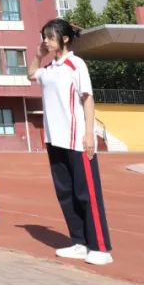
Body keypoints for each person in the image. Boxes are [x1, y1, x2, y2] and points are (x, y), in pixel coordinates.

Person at [28, 19, 113, 266]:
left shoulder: (76, 64)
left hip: (76, 139)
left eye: (50, 36)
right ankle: (79, 242)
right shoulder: (50, 68)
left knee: (86, 193)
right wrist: (37, 55)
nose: (46, 40)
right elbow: (32, 74)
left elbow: (88, 99)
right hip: (55, 139)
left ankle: (100, 247)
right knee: (65, 193)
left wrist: (89, 134)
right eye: (44, 36)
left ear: (64, 38)